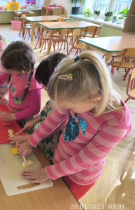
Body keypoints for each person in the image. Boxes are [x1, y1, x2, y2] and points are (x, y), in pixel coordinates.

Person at [17, 51, 132, 199]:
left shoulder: (116, 123)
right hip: (59, 164)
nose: (68, 111)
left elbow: (83, 160)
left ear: (95, 99)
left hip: (80, 177)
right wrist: (32, 142)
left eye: (70, 108)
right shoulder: (78, 93)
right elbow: (55, 118)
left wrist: (48, 172)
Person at [10, 52, 67, 164]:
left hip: (51, 144)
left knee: (43, 161)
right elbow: (45, 110)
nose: (43, 88)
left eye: (44, 85)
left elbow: (50, 131)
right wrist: (35, 120)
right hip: (40, 139)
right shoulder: (55, 97)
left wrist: (25, 139)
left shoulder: (64, 109)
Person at [0, 41, 42, 123]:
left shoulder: (34, 82)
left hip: (25, 118)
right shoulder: (18, 70)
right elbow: (0, 80)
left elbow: (35, 109)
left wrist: (13, 117)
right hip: (12, 111)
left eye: (10, 72)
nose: (5, 72)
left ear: (22, 69)